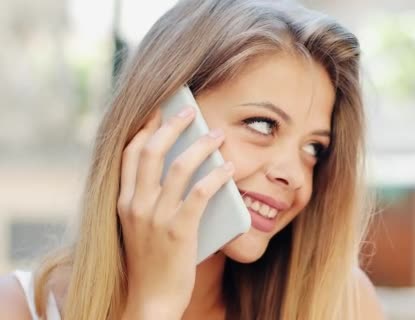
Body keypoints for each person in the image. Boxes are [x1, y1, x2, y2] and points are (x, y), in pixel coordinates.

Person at [0, 0, 383, 319]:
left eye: (314, 148)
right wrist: (154, 304)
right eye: (263, 125)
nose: (295, 176)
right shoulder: (19, 307)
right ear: (159, 120)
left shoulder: (343, 304)